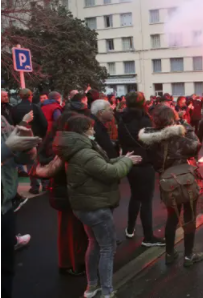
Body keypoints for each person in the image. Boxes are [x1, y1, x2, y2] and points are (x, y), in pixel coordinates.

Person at [54, 115, 139, 298]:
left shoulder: (75, 149)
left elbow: (102, 166)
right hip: (96, 207)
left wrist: (123, 158)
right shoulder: (85, 152)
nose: (94, 131)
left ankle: (91, 287)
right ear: (83, 131)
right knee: (107, 248)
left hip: (85, 206)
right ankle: (107, 291)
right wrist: (127, 162)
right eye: (91, 128)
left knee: (94, 244)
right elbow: (111, 172)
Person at [139, 105, 203, 267]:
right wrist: (186, 126)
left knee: (172, 217)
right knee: (189, 216)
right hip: (185, 180)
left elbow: (151, 160)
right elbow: (195, 146)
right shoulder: (179, 136)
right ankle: (189, 256)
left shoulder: (150, 139)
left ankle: (169, 254)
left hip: (167, 181)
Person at [36, 111, 87, 276]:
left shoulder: (52, 142)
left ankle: (66, 261)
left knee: (65, 228)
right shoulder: (67, 147)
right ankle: (76, 263)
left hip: (58, 190)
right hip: (70, 190)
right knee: (76, 230)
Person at [117, 92, 165, 247]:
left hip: (129, 161)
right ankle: (148, 237)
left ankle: (130, 229)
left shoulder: (122, 118)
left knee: (135, 196)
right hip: (144, 163)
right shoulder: (144, 120)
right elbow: (152, 143)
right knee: (146, 200)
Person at [2, 116, 41, 298]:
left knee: (6, 269)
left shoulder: (1, 120)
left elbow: (16, 159)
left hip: (5, 207)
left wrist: (27, 148)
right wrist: (7, 148)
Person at [12, 88, 48, 194]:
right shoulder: (35, 107)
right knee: (41, 161)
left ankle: (34, 186)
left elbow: (14, 124)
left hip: (24, 139)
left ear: (20, 96)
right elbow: (44, 123)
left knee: (30, 163)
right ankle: (45, 184)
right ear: (30, 96)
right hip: (36, 137)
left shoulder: (15, 108)